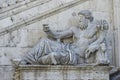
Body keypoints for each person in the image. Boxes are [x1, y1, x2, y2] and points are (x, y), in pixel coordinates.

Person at [21, 10, 109, 65]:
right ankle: (26, 59)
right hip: (66, 48)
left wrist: (93, 46)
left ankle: (37, 62)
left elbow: (102, 39)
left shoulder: (95, 30)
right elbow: (57, 35)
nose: (79, 20)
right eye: (79, 18)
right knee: (44, 41)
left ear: (88, 18)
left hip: (74, 56)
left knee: (54, 56)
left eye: (81, 18)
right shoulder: (75, 29)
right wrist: (48, 31)